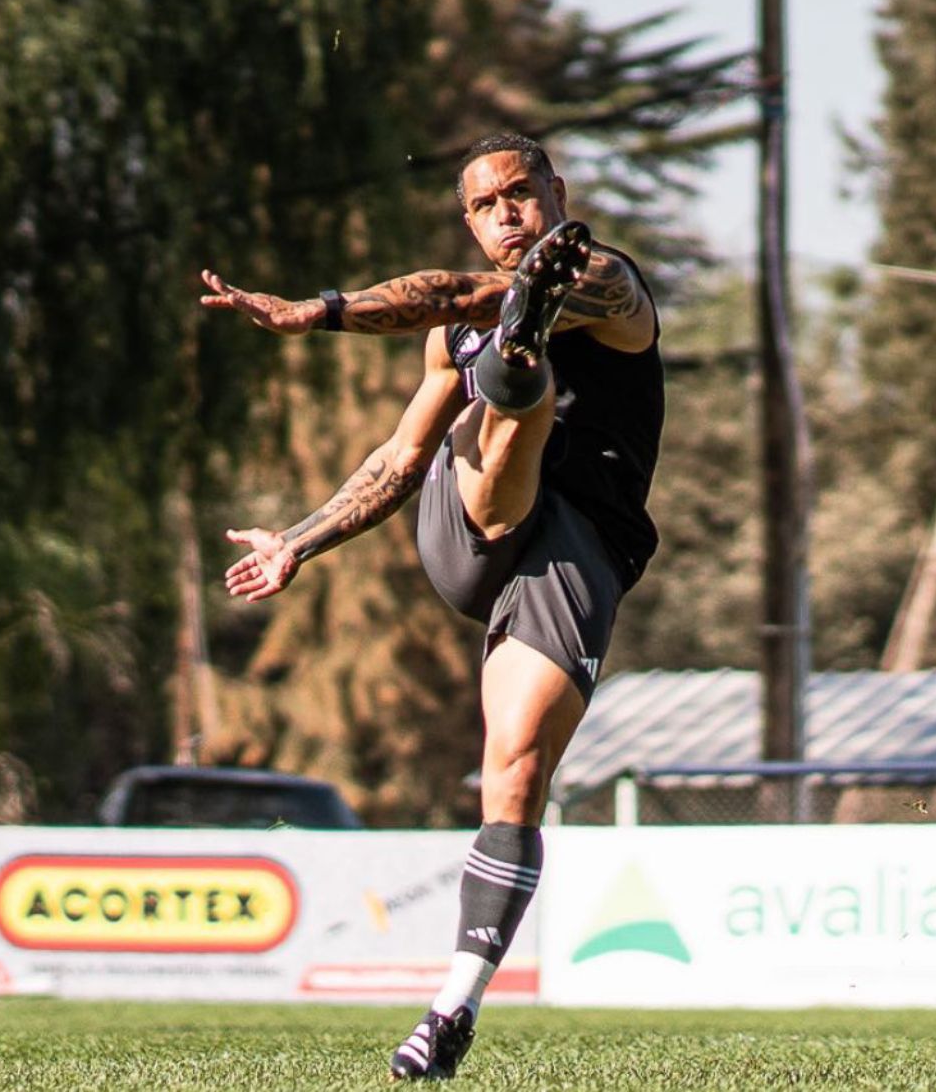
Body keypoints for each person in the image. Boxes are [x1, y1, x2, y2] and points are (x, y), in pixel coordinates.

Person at [201, 133, 663, 1080]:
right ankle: (517, 369)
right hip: (470, 531)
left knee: (515, 770)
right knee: (510, 385)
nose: (506, 212)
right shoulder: (452, 327)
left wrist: (316, 312)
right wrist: (298, 540)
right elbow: (398, 461)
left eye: (521, 194)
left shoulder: (613, 284)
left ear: (555, 193)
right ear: (469, 218)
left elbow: (461, 293)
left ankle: (453, 1007)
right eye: (486, 203)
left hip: (576, 550)